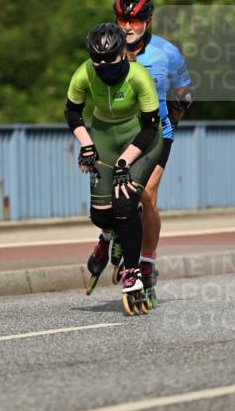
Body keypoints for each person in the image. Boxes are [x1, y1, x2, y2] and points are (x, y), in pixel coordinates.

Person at [64, 22, 164, 314]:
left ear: (123, 52)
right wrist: (87, 144)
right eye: (98, 59)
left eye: (111, 58)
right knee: (101, 215)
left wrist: (123, 163)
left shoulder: (138, 76)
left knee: (125, 203)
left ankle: (131, 274)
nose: (104, 65)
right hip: (105, 134)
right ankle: (108, 237)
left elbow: (150, 127)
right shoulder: (83, 73)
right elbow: (72, 111)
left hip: (141, 138)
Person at [111, 0, 193, 304]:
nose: (128, 27)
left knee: (145, 194)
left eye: (135, 20)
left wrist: (168, 124)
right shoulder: (106, 48)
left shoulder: (166, 53)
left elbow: (185, 92)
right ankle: (116, 234)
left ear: (148, 20)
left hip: (157, 134)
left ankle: (147, 264)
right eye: (122, 19)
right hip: (121, 135)